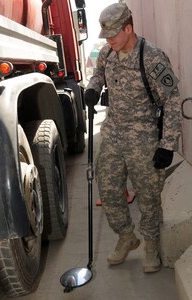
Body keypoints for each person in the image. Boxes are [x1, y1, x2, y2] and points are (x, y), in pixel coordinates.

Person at [84, 2, 181, 273]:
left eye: (115, 34)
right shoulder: (107, 54)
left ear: (129, 28)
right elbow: (98, 74)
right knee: (109, 189)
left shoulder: (152, 57)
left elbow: (171, 99)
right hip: (113, 133)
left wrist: (168, 144)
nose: (110, 40)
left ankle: (151, 244)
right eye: (107, 35)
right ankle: (127, 237)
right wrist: (92, 88)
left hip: (144, 137)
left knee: (149, 195)